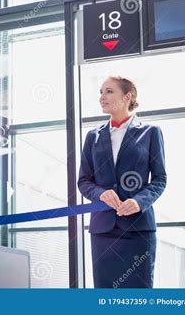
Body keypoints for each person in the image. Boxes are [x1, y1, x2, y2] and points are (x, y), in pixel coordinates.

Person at [78, 76, 166, 288]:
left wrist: (139, 202)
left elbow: (160, 179)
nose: (102, 97)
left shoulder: (150, 132)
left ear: (128, 97)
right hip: (103, 231)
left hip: (138, 229)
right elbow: (83, 181)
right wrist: (100, 194)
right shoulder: (93, 136)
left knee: (138, 296)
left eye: (108, 91)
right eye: (100, 92)